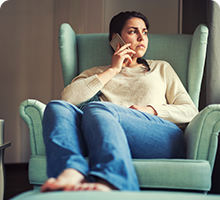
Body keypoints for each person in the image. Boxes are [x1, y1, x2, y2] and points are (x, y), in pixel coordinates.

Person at [41, 11, 198, 192]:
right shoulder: (97, 73)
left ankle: (113, 182)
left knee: (98, 109)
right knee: (56, 107)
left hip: (160, 136)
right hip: (107, 132)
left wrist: (150, 110)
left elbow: (190, 111)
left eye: (145, 32)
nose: (142, 37)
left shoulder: (161, 68)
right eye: (133, 31)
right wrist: (113, 70)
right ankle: (71, 172)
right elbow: (68, 99)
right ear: (116, 38)